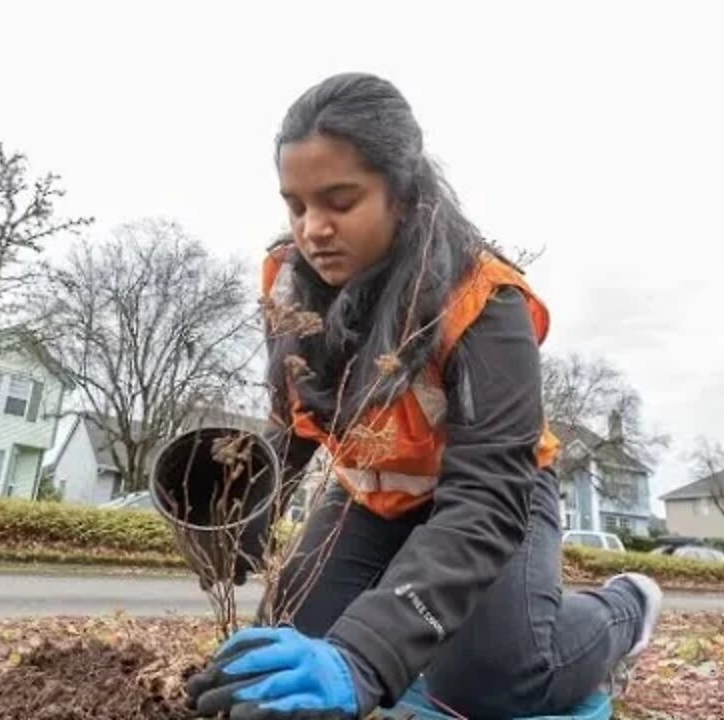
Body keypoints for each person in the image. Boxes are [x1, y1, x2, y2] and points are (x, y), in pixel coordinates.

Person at [185, 73, 662, 719]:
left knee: (490, 684)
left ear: (402, 195)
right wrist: (251, 513)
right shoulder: (288, 282)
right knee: (284, 649)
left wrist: (366, 656)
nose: (312, 229)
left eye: (340, 201)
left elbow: (488, 496)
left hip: (491, 496)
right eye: (296, 205)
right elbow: (295, 414)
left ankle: (623, 608)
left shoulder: (485, 302)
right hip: (371, 496)